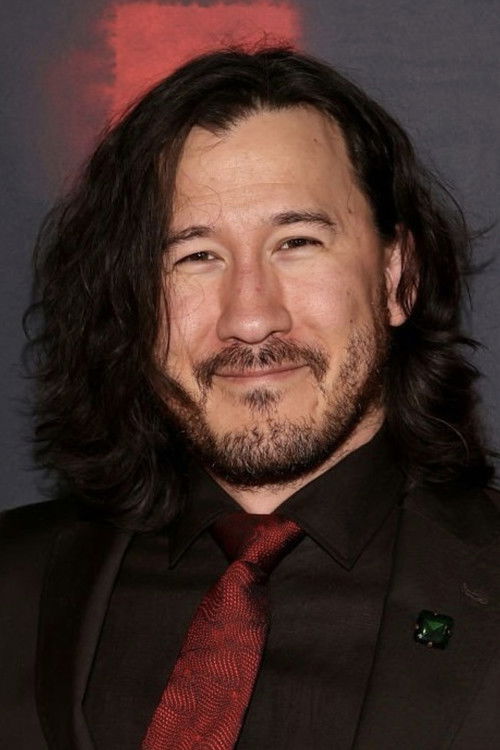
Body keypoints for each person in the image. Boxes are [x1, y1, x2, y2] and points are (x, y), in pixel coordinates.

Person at [1, 46, 499, 750]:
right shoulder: (15, 584)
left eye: (297, 242)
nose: (252, 317)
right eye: (196, 256)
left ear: (398, 278)